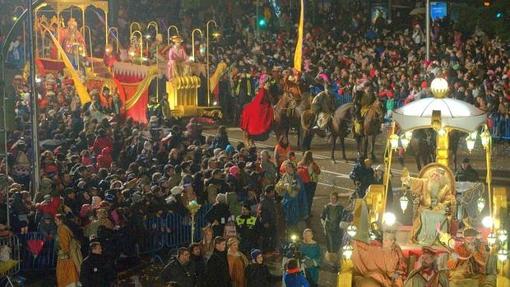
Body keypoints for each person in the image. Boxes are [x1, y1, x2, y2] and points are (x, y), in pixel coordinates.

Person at [401, 168, 455, 245]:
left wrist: (441, 205)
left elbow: (448, 199)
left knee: (442, 216)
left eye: (438, 176)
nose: (435, 177)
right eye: (434, 175)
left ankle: (439, 238)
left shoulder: (445, 188)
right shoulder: (424, 182)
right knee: (425, 215)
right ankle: (424, 237)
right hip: (425, 207)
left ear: (441, 178)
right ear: (431, 175)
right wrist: (408, 179)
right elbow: (415, 182)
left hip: (438, 208)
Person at [240, 75, 274, 142]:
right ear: (264, 83)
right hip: (261, 105)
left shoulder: (266, 90)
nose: (269, 84)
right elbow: (260, 100)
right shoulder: (262, 90)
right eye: (267, 82)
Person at [275, 161, 308, 229]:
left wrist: (288, 187)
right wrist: (280, 187)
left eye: (289, 167)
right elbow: (279, 188)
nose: (288, 169)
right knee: (286, 220)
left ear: (293, 168)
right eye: (286, 167)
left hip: (295, 202)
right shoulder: (284, 176)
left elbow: (295, 192)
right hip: (286, 202)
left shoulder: (296, 178)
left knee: (294, 220)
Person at [55, 214, 82, 287]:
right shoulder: (65, 227)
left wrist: (64, 252)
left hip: (66, 255)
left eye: (56, 220)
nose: (55, 222)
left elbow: (65, 243)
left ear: (61, 220)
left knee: (65, 273)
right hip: (71, 253)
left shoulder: (61, 229)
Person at [320, 192, 344, 262]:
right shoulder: (327, 207)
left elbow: (343, 218)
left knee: (337, 244)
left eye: (334, 198)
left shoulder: (341, 208)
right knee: (330, 245)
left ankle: (336, 260)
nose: (332, 200)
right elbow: (322, 217)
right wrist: (324, 224)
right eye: (331, 198)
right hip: (329, 229)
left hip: (337, 230)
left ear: (337, 199)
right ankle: (331, 261)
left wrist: (342, 225)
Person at [297, 151, 321, 215]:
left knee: (303, 197)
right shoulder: (312, 164)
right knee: (309, 198)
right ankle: (307, 212)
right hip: (312, 182)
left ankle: (301, 210)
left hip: (302, 182)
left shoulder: (299, 163)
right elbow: (318, 172)